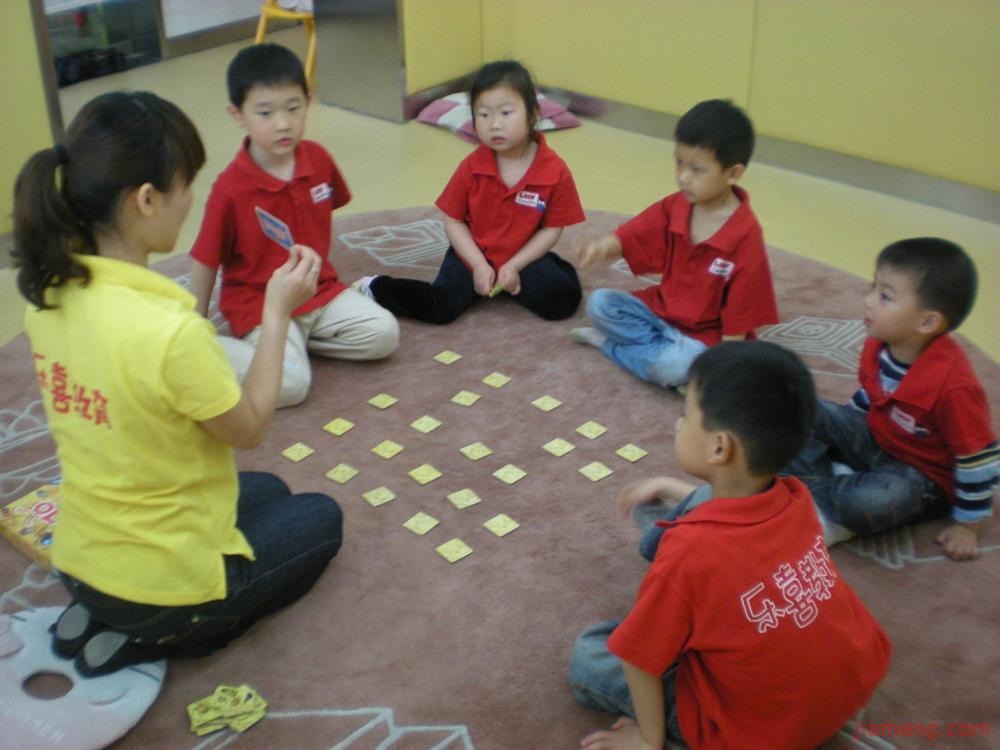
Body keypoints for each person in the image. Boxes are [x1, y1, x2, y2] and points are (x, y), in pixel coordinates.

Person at [13, 91, 342, 676]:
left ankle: (95, 612)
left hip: (81, 557)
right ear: (146, 199)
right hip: (165, 592)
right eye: (186, 184)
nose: (191, 199)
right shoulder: (170, 329)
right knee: (320, 516)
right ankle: (156, 635)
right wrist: (276, 315)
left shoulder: (49, 295)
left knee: (266, 490)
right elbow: (250, 427)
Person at [570, 342, 891, 750]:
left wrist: (648, 740)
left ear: (720, 447)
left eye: (686, 415)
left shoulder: (688, 555)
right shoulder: (796, 496)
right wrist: (671, 486)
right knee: (699, 506)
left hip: (758, 732)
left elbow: (638, 660)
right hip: (850, 684)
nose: (678, 424)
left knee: (591, 654)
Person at [189, 43, 398, 408]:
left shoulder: (318, 158)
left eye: (293, 108)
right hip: (261, 306)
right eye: (265, 113)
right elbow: (206, 259)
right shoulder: (229, 189)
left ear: (308, 101)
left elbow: (329, 207)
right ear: (237, 115)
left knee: (384, 335)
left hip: (319, 292)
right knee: (291, 386)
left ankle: (294, 345)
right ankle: (213, 352)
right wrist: (193, 326)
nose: (283, 123)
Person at [785, 238, 997, 561]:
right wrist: (840, 436)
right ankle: (826, 489)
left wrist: (969, 525)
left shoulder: (956, 388)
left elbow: (978, 460)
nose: (868, 301)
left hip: (921, 478)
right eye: (873, 287)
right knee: (792, 406)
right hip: (878, 439)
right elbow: (871, 397)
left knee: (876, 502)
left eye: (885, 296)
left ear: (928, 322)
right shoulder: (878, 342)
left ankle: (818, 496)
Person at [353, 60, 585, 323]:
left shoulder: (554, 170)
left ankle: (537, 269)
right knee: (441, 307)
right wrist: (477, 265)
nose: (494, 124)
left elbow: (551, 229)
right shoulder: (472, 167)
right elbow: (453, 221)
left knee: (562, 302)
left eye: (506, 113)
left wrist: (515, 265)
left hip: (522, 256)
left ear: (533, 114)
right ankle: (376, 287)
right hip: (472, 252)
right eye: (483, 114)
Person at [569, 99, 778, 389]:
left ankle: (609, 345)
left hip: (704, 338)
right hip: (661, 312)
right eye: (679, 162)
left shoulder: (746, 236)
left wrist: (722, 369)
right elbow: (636, 232)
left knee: (674, 367)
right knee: (600, 304)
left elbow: (740, 315)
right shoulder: (677, 205)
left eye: (697, 169)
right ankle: (658, 351)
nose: (683, 177)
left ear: (733, 173)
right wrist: (601, 248)